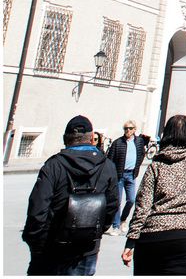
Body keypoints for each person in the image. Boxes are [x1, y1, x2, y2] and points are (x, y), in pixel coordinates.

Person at [24, 114, 119, 275]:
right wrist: (94, 231)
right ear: (91, 138)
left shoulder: (53, 165)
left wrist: (34, 240)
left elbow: (38, 208)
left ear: (64, 139)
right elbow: (112, 206)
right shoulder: (107, 166)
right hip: (87, 247)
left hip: (52, 245)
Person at [122, 114, 186, 275]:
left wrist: (131, 240)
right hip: (185, 234)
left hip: (152, 234)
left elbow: (142, 207)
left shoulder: (156, 166)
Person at [106, 121, 145, 238]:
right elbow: (110, 160)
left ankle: (123, 220)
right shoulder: (118, 143)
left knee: (131, 200)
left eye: (130, 128)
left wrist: (136, 168)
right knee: (117, 202)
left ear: (134, 130)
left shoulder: (139, 142)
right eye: (126, 129)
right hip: (119, 176)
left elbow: (142, 155)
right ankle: (116, 226)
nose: (128, 131)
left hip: (131, 175)